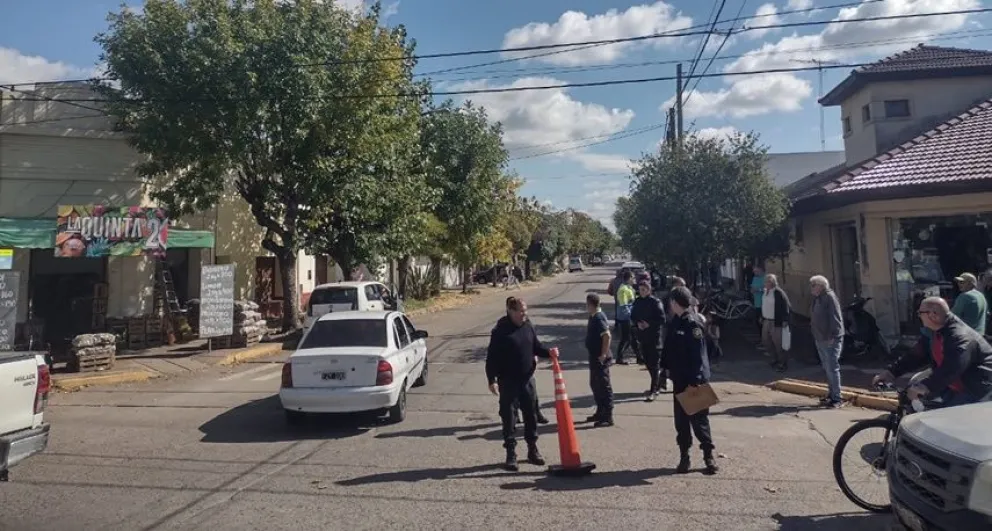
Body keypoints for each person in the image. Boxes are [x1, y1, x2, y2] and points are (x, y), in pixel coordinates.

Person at [873, 297, 992, 406]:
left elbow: (952, 368)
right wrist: (891, 372)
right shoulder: (935, 331)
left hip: (976, 389)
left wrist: (925, 386)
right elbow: (916, 355)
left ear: (933, 315)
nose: (918, 316)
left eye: (920, 313)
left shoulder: (959, 336)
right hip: (953, 384)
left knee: (945, 422)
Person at [485, 297, 552, 471]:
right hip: (508, 381)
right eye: (521, 311)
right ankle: (511, 454)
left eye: (525, 310)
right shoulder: (501, 331)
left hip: (527, 380)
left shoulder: (528, 326)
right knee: (509, 418)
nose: (524, 314)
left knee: (531, 416)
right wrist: (491, 379)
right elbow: (491, 357)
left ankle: (532, 450)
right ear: (511, 311)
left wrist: (550, 352)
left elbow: (536, 347)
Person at [666, 286, 718, 475]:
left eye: (671, 301)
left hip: (694, 381)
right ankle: (684, 457)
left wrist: (696, 380)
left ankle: (708, 457)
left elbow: (699, 355)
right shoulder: (675, 322)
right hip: (680, 380)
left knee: (700, 421)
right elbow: (669, 349)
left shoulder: (693, 324)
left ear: (675, 303)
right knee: (681, 422)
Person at [810, 275, 845, 408]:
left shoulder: (829, 297)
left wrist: (832, 336)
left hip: (830, 339)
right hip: (820, 337)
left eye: (814, 285)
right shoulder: (818, 298)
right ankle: (831, 394)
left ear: (821, 286)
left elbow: (835, 317)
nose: (811, 288)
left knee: (832, 367)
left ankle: (837, 398)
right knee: (827, 367)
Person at [632, 280, 667, 400]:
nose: (641, 292)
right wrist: (637, 323)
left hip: (654, 337)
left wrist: (649, 324)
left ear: (649, 290)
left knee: (654, 364)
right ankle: (659, 381)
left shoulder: (655, 302)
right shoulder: (637, 302)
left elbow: (662, 319)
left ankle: (654, 390)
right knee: (647, 363)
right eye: (640, 290)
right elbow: (633, 316)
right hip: (642, 337)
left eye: (644, 290)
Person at [584, 293, 615, 427]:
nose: (586, 307)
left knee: (603, 386)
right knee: (595, 385)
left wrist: (603, 354)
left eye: (587, 305)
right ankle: (600, 411)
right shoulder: (593, 316)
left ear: (591, 305)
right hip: (594, 357)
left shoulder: (598, 317)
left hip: (600, 358)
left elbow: (607, 336)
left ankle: (607, 416)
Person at [761, 274, 792, 372]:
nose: (766, 283)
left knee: (779, 344)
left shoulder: (778, 292)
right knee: (766, 341)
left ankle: (782, 363)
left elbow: (786, 306)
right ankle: (774, 358)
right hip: (766, 320)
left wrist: (785, 320)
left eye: (768, 281)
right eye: (766, 281)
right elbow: (764, 305)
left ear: (773, 282)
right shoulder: (766, 292)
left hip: (776, 321)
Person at [614, 271, 636, 365]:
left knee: (632, 338)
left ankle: (639, 357)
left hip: (628, 316)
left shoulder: (629, 287)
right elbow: (623, 305)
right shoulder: (623, 289)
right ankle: (619, 357)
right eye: (633, 277)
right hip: (625, 317)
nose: (634, 279)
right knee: (626, 338)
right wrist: (631, 316)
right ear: (629, 278)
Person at [750, 265, 766, 331]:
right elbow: (752, 288)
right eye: (754, 271)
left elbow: (768, 289)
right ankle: (761, 337)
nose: (755, 273)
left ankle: (765, 337)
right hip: (757, 303)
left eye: (756, 271)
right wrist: (752, 290)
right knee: (758, 321)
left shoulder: (766, 278)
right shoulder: (755, 278)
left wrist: (759, 290)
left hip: (764, 304)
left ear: (761, 270)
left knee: (763, 321)